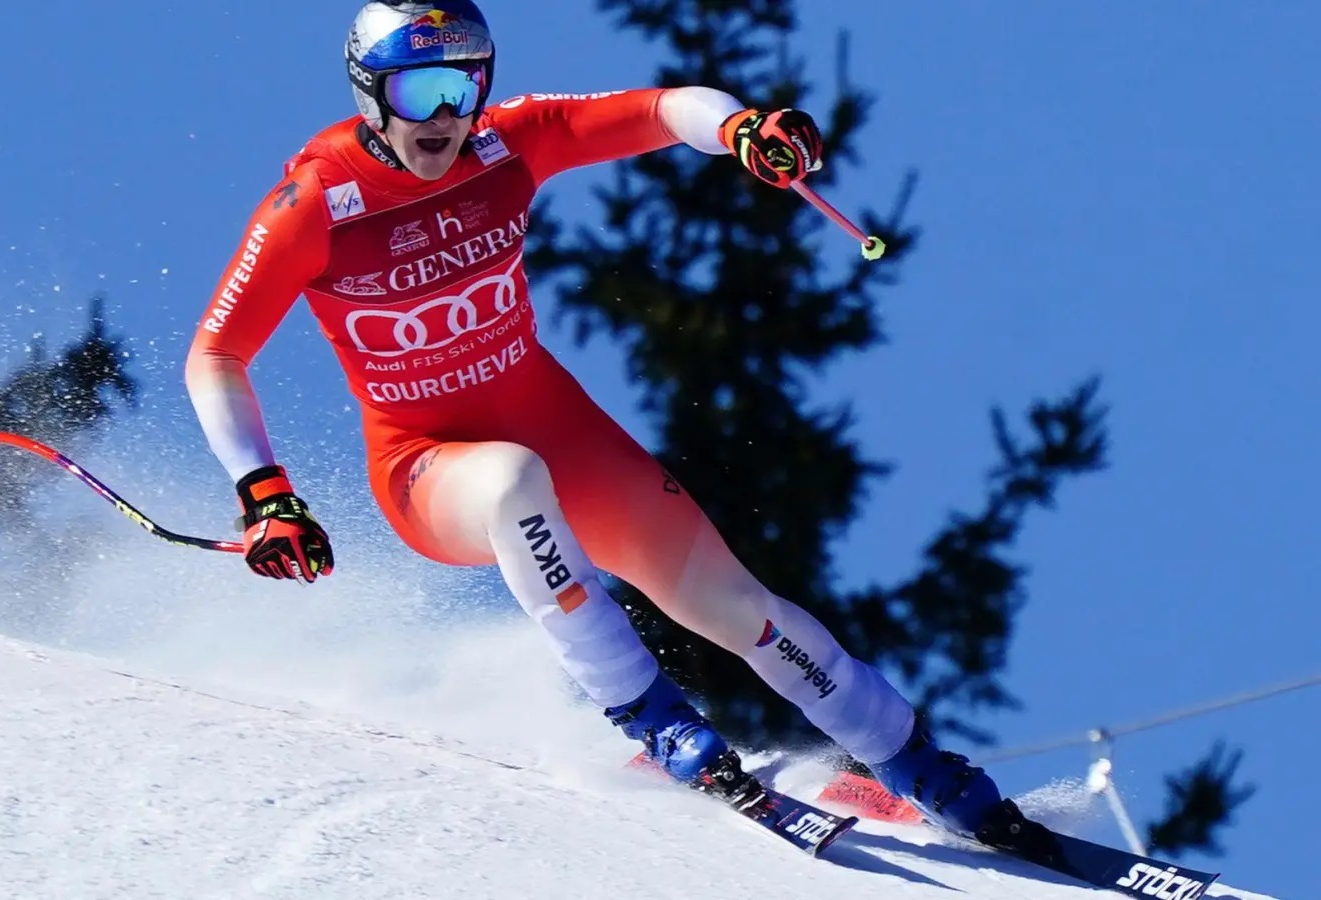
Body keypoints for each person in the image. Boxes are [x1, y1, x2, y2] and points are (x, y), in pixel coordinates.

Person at [185, 0, 1008, 836]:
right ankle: (657, 721)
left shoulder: (505, 143)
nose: (444, 115)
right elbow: (216, 354)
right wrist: (264, 492)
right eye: (419, 90)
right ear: (370, 93)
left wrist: (740, 128)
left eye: (463, 86)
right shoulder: (318, 202)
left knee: (736, 604)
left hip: (559, 432)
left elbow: (663, 110)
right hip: (424, 464)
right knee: (511, 481)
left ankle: (915, 761)